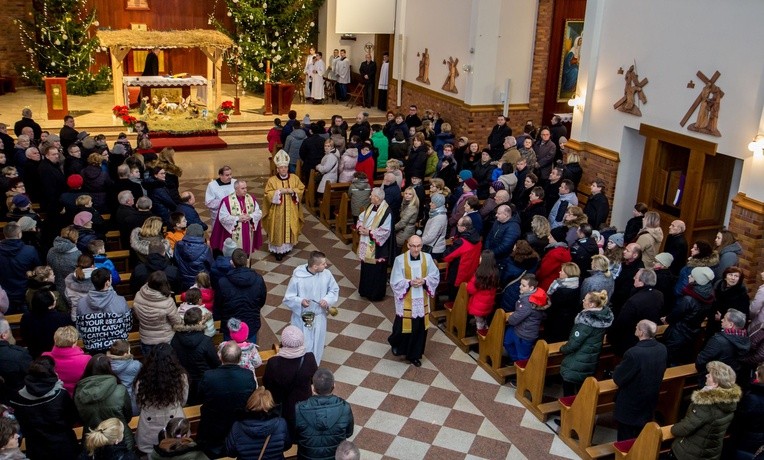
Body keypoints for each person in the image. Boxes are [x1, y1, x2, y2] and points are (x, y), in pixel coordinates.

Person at [10, 356, 80, 459]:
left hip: (36, 447)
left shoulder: (17, 398)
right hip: (61, 445)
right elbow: (72, 417)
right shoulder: (60, 395)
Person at [669, 361, 741, 460]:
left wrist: (673, 429)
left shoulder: (706, 404)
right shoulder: (729, 401)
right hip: (710, 452)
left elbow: (685, 427)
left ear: (715, 384)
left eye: (710, 375)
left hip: (690, 453)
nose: (706, 375)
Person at [196, 341, 256, 458]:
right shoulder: (247, 376)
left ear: (220, 357)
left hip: (213, 424)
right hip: (238, 424)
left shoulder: (209, 376)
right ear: (239, 359)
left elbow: (200, 397)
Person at [388, 236, 439, 367]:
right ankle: (397, 344)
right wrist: (409, 282)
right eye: (413, 246)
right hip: (406, 299)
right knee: (401, 327)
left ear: (422, 246)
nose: (416, 249)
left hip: (421, 301)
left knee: (419, 328)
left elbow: (434, 275)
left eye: (419, 246)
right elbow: (395, 281)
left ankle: (414, 355)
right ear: (408, 245)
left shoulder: (427, 258)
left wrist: (424, 281)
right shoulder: (400, 260)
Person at [612, 320, 668, 440]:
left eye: (637, 327)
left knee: (625, 438)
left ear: (641, 333)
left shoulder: (634, 353)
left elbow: (618, 378)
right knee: (639, 435)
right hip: (649, 400)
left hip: (631, 403)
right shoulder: (662, 348)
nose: (635, 328)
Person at [284, 251, 339, 366]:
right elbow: (288, 298)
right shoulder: (298, 277)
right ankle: (301, 368)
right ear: (315, 266)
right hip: (303, 317)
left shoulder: (327, 274)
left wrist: (326, 300)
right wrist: (301, 302)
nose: (326, 265)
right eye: (323, 264)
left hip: (319, 317)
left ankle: (314, 367)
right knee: (305, 344)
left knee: (318, 344)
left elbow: (334, 290)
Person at [135, 344, 189, 456]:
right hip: (174, 420)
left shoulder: (142, 379)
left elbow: (140, 403)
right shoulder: (180, 377)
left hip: (149, 425)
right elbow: (183, 400)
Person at [74, 354, 135, 450]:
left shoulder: (78, 392)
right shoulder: (120, 390)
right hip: (119, 437)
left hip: (92, 439)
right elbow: (128, 415)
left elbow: (79, 418)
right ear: (109, 369)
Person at [559, 290, 614, 395]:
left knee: (569, 389)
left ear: (592, 304)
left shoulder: (586, 322)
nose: (583, 300)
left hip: (577, 360)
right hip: (590, 359)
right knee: (581, 390)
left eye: (585, 299)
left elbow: (574, 344)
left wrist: (563, 349)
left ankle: (568, 410)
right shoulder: (602, 317)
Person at [294, 369, 354, 459]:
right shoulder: (345, 407)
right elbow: (349, 433)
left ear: (313, 387)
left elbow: (295, 436)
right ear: (334, 385)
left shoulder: (299, 408)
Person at [663, 266, 716, 366]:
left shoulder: (689, 299)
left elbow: (677, 313)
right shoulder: (709, 295)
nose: (689, 276)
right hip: (693, 332)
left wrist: (667, 319)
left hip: (679, 332)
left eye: (692, 275)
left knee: (670, 357)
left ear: (697, 280)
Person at [75, 267, 132, 354]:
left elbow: (79, 328)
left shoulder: (81, 303)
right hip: (118, 348)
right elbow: (128, 325)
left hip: (92, 348)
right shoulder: (120, 301)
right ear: (107, 283)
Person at [224, 387, 291, 459]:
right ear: (270, 404)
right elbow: (287, 445)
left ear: (250, 403)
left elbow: (230, 452)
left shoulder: (237, 426)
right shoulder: (281, 423)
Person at [171, 308, 221, 405]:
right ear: (199, 322)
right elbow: (215, 362)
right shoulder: (206, 341)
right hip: (202, 379)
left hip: (185, 379)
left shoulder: (175, 338)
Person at [609, 268, 663, 357]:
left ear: (641, 282)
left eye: (636, 277)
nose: (634, 278)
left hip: (631, 339)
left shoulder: (634, 301)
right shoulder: (659, 295)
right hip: (649, 335)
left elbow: (621, 323)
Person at [215, 249, 266, 342]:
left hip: (231, 326)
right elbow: (262, 301)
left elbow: (218, 305)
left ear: (232, 263)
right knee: (251, 353)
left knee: (230, 354)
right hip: (251, 323)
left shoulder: (223, 282)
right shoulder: (258, 280)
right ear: (247, 261)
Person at [262, 150, 305, 261]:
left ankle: (287, 247)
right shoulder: (272, 180)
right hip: (277, 211)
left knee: (290, 225)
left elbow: (301, 188)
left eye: (285, 167)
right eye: (281, 168)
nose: (283, 169)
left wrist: (292, 190)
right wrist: (278, 192)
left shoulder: (294, 178)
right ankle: (278, 250)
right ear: (277, 169)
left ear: (287, 168)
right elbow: (267, 193)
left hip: (291, 209)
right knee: (278, 227)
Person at [132, 271, 182, 357]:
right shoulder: (167, 302)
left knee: (149, 366)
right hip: (165, 340)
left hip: (146, 338)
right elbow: (177, 321)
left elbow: (136, 315)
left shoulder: (138, 296)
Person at [357, 188, 394, 301]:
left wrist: (369, 232)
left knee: (376, 271)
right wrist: (360, 227)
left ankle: (375, 294)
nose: (370, 197)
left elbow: (386, 230)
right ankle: (365, 291)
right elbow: (361, 217)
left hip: (377, 248)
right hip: (366, 241)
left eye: (372, 195)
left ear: (377, 198)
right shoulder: (371, 206)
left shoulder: (386, 211)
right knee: (366, 269)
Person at [695, 308, 750, 384]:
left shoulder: (718, 340)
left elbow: (701, 361)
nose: (722, 320)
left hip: (714, 380)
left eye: (724, 319)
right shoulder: (745, 338)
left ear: (731, 325)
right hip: (732, 380)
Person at [210, 179, 262, 256]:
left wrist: (250, 216)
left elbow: (259, 212)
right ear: (236, 189)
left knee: (246, 253)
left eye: (246, 188)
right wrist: (237, 218)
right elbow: (223, 218)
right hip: (233, 232)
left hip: (247, 230)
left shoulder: (251, 199)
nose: (245, 190)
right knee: (234, 254)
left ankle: (246, 265)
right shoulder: (227, 201)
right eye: (242, 188)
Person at [504, 277, 548, 362]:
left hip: (524, 334)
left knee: (523, 357)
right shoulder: (536, 296)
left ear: (531, 288)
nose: (520, 287)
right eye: (520, 284)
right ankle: (515, 361)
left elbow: (513, 320)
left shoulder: (528, 303)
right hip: (519, 328)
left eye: (523, 285)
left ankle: (520, 371)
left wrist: (512, 316)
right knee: (507, 342)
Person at [0, 222, 41, 313]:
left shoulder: (29, 250)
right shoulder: (30, 250)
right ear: (19, 234)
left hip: (4, 293)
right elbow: (38, 269)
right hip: (24, 292)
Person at [41, 325, 91, 396]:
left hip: (53, 396)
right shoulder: (86, 359)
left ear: (55, 340)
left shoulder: (45, 357)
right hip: (78, 396)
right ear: (74, 343)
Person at [467, 250, 500, 336]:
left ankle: (481, 339)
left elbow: (471, 289)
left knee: (479, 322)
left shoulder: (480, 274)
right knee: (483, 319)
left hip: (478, 303)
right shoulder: (495, 272)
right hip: (489, 302)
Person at [0, 319, 33, 405]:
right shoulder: (19, 355)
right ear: (3, 335)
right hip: (16, 399)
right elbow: (32, 374)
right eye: (9, 330)